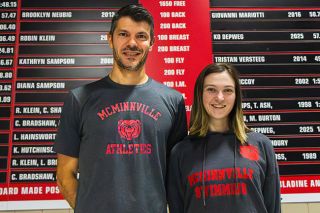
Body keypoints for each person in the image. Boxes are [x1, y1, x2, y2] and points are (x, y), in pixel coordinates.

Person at [54, 4, 187, 213]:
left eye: (141, 36)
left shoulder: (173, 101)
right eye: (123, 34)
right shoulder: (79, 99)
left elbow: (176, 176)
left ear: (152, 42)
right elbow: (64, 174)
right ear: (110, 39)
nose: (132, 43)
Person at [167, 63, 281, 213]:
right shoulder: (181, 152)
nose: (219, 98)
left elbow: (273, 207)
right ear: (200, 94)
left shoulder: (261, 145)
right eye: (211, 90)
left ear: (236, 96)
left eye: (227, 90)